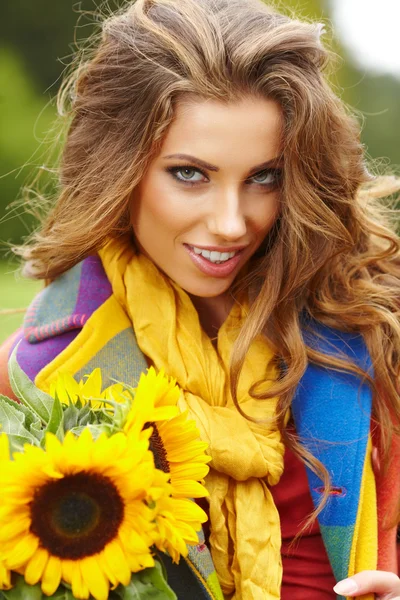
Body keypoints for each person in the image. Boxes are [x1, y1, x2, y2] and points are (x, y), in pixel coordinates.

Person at [1, 0, 400, 598]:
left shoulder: (373, 324)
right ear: (121, 167)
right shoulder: (30, 379)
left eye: (264, 176)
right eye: (190, 174)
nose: (231, 223)